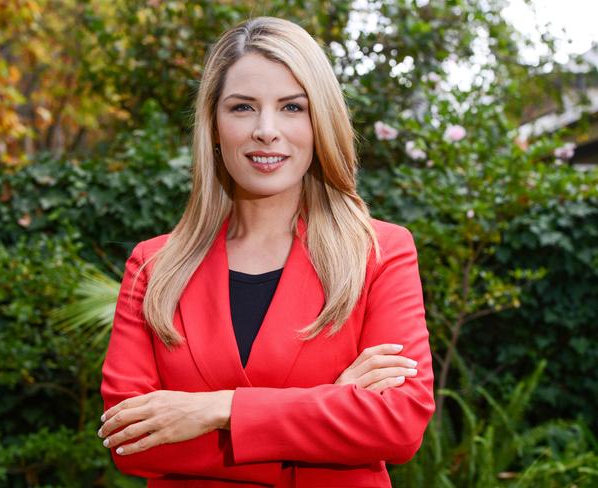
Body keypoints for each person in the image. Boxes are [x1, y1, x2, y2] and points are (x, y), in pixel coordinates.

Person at [98, 16, 434, 488]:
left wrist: (218, 409)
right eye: (242, 108)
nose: (266, 130)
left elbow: (399, 424)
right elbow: (130, 441)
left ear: (320, 122)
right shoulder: (153, 267)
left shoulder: (380, 253)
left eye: (292, 107)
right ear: (214, 125)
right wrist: (327, 411)